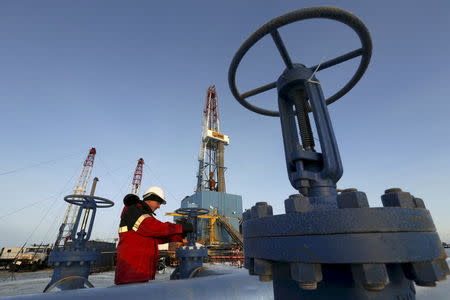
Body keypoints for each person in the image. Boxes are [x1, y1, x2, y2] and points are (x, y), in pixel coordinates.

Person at [114, 186, 193, 285]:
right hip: (131, 273)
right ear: (151, 199)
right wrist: (180, 227)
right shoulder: (134, 210)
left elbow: (157, 237)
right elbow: (155, 228)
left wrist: (179, 236)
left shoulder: (144, 215)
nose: (159, 206)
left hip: (139, 273)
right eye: (158, 202)